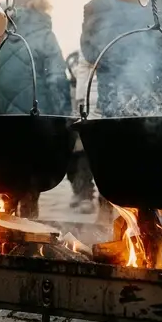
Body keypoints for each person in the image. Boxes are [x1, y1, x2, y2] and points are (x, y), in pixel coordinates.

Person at [0, 0, 71, 218]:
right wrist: (63, 118)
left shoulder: (3, 37)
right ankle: (29, 227)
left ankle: (6, 220)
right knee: (32, 175)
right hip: (38, 119)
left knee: (10, 170)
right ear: (40, 8)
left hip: (5, 121)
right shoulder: (46, 36)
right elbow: (57, 79)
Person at [63, 51, 97, 213]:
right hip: (72, 128)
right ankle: (78, 192)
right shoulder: (69, 86)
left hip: (87, 123)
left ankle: (86, 195)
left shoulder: (90, 85)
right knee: (72, 163)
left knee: (84, 161)